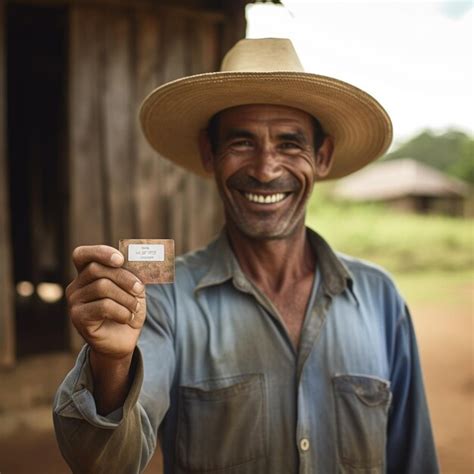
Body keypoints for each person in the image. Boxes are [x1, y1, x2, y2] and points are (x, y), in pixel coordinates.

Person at [53, 38, 439, 473]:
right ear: (208, 153)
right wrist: (112, 361)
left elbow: (416, 460)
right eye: (241, 142)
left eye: (291, 144)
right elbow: (105, 464)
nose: (265, 168)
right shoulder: (163, 302)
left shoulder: (379, 298)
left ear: (323, 156)